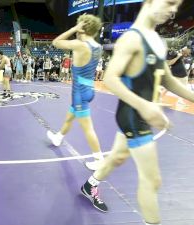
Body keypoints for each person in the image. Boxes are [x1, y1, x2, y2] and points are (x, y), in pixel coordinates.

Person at [80, 1, 193, 225]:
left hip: (142, 113)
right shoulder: (132, 39)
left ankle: (89, 185)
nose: (173, 10)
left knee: (118, 157)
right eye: (170, 2)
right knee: (152, 181)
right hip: (133, 115)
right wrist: (145, 106)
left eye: (177, 5)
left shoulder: (158, 40)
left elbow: (168, 80)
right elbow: (110, 78)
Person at [47, 14, 105, 171]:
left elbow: (56, 42)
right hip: (89, 89)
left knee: (88, 128)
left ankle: (99, 158)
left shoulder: (81, 45)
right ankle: (58, 137)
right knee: (69, 118)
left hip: (79, 92)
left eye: (78, 25)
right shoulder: (97, 47)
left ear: (82, 27)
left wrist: (73, 29)